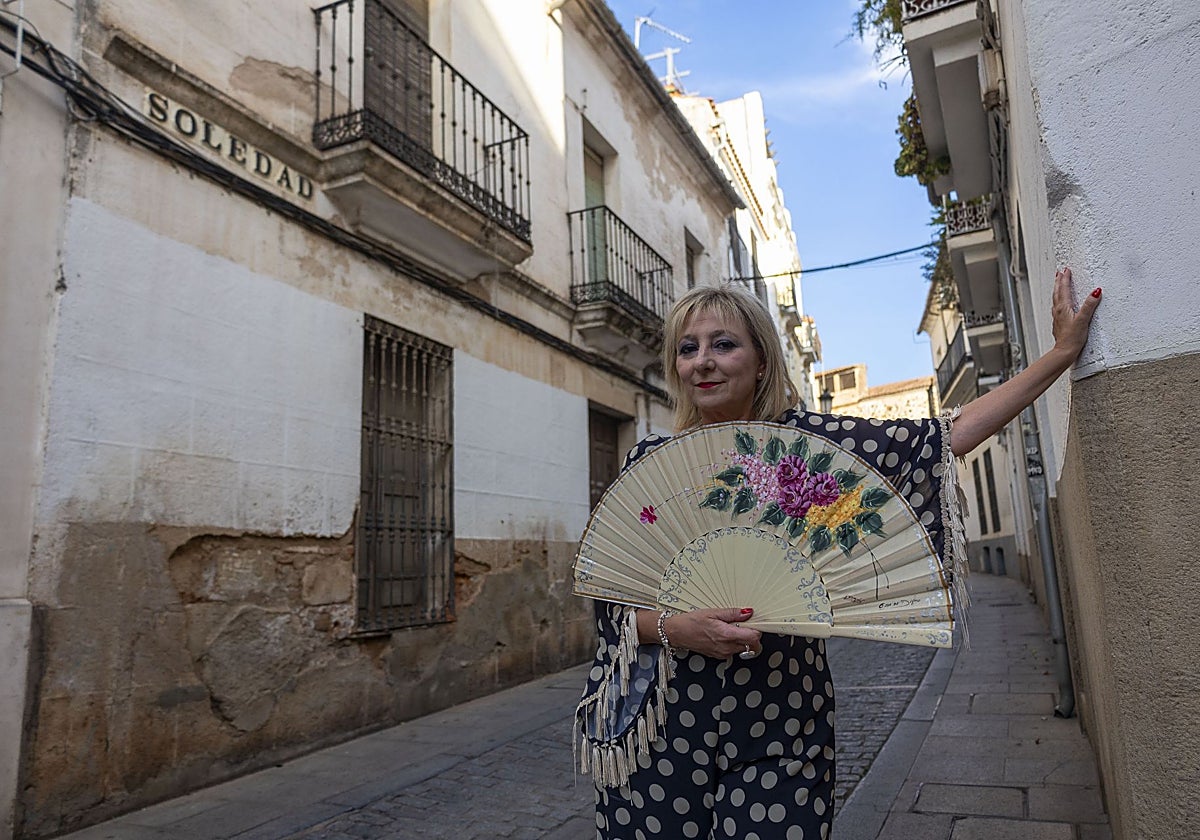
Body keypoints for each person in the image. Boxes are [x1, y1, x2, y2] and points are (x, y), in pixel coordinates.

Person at [576, 269, 1100, 839]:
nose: (703, 361)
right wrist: (679, 628)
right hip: (658, 729)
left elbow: (945, 437)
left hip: (780, 724)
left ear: (762, 361)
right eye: (688, 348)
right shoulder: (651, 464)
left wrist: (1061, 354)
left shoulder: (815, 450)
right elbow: (610, 606)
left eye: (723, 344)